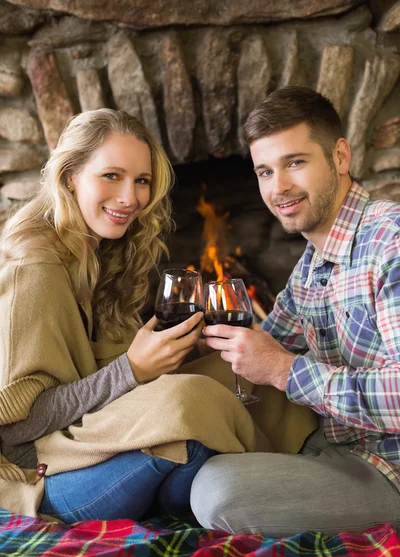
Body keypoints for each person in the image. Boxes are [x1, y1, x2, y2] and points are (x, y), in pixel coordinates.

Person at [0, 109, 261, 524]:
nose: (131, 198)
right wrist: (132, 370)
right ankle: (201, 494)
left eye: (141, 181)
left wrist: (173, 354)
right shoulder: (35, 268)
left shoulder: (104, 249)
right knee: (190, 407)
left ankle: (202, 489)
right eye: (111, 176)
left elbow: (101, 380)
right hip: (44, 473)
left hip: (94, 435)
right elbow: (15, 427)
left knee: (240, 374)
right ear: (70, 177)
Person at [190, 86, 400, 537]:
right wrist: (142, 367)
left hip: (390, 470)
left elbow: (276, 361)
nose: (278, 187)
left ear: (340, 157)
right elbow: (264, 341)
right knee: (189, 439)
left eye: (295, 163)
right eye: (265, 171)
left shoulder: (391, 242)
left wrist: (285, 371)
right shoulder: (312, 266)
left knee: (215, 489)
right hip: (336, 444)